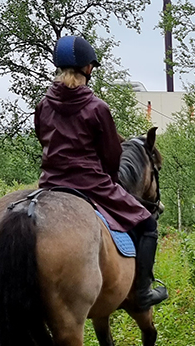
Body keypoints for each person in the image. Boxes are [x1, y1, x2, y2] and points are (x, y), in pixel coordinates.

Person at [36, 35, 168, 312]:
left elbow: (43, 141)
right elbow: (112, 157)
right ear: (88, 69)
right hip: (91, 184)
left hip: (49, 185)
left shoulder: (43, 106)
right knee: (147, 224)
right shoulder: (97, 108)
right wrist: (108, 177)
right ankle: (143, 292)